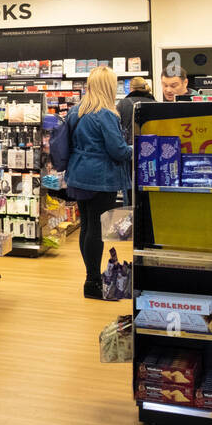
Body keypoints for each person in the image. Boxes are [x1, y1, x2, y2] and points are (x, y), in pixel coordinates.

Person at [66, 67, 133, 300]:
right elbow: (118, 150)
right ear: (109, 86)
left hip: (78, 176)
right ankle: (93, 283)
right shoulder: (105, 114)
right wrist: (135, 148)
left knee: (87, 227)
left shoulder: (76, 111)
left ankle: (90, 278)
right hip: (100, 178)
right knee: (96, 229)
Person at [116, 76, 156, 143]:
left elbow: (116, 126)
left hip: (129, 144)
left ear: (131, 88)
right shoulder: (155, 104)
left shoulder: (123, 104)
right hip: (151, 143)